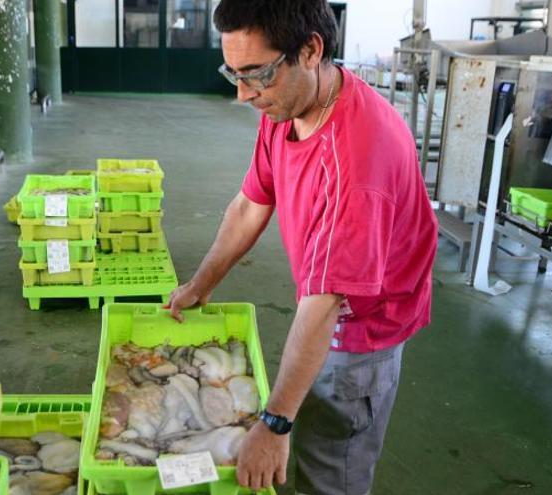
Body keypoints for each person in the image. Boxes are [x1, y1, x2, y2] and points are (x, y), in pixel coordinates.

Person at [165, 0, 438, 493]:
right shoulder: (285, 104)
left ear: (311, 50)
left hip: (362, 327)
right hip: (328, 305)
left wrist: (274, 425)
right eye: (234, 74)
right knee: (304, 414)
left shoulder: (355, 162)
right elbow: (251, 204)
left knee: (331, 463)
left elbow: (325, 304)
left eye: (258, 74)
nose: (245, 95)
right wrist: (200, 284)